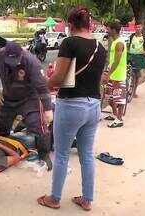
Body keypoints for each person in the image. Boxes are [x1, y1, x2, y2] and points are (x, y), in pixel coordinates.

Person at [37, 7, 106, 211]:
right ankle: (87, 199)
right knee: (86, 154)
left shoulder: (70, 43)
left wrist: (45, 83)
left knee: (61, 154)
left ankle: (55, 198)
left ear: (71, 24)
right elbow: (98, 78)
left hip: (71, 105)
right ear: (89, 24)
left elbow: (58, 78)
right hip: (94, 105)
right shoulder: (99, 47)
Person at [0, 41, 53, 170]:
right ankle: (2, 151)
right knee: (2, 125)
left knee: (39, 126)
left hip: (29, 99)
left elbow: (42, 87)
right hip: (8, 98)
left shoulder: (31, 61)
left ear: (21, 55)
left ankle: (44, 155)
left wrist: (48, 109)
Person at [103, 21, 128, 128]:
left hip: (118, 75)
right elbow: (112, 60)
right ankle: (115, 114)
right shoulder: (114, 41)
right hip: (112, 74)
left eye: (108, 29)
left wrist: (108, 74)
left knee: (119, 98)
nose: (106, 31)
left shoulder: (119, 43)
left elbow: (117, 61)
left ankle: (119, 119)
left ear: (113, 30)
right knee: (109, 96)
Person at [128, 24, 145, 97]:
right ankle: (128, 89)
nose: (138, 28)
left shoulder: (143, 37)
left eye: (140, 27)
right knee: (130, 74)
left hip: (139, 58)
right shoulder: (131, 36)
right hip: (131, 57)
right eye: (137, 27)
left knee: (137, 76)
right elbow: (128, 45)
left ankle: (134, 92)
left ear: (142, 28)